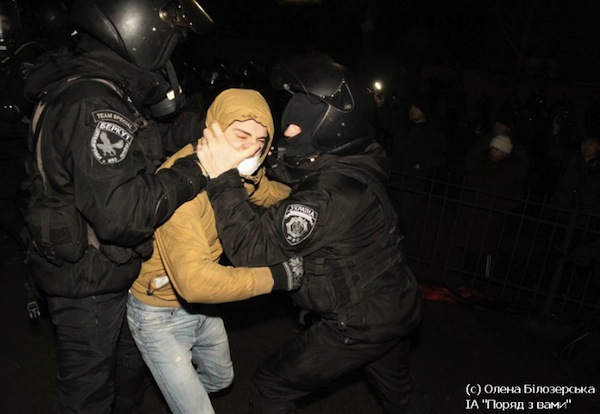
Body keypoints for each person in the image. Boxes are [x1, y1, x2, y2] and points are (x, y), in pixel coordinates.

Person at [198, 53, 426, 414]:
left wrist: (222, 177)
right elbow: (300, 176)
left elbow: (252, 248)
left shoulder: (328, 196)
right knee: (402, 399)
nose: (287, 134)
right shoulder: (353, 160)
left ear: (331, 127)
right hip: (394, 306)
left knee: (270, 388)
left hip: (360, 322)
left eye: (297, 127)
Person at [23, 1, 216, 412]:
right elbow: (122, 214)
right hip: (87, 283)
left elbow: (151, 141)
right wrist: (200, 168)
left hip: (102, 271)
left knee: (126, 368)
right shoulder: (93, 103)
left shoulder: (101, 87)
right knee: (88, 394)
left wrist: (213, 128)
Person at [127, 88, 302, 414]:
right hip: (157, 314)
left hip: (201, 308)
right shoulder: (181, 188)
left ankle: (178, 393)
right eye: (241, 136)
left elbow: (265, 191)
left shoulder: (232, 169)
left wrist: (313, 194)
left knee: (221, 379)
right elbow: (195, 282)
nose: (251, 148)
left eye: (260, 141)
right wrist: (275, 277)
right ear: (214, 130)